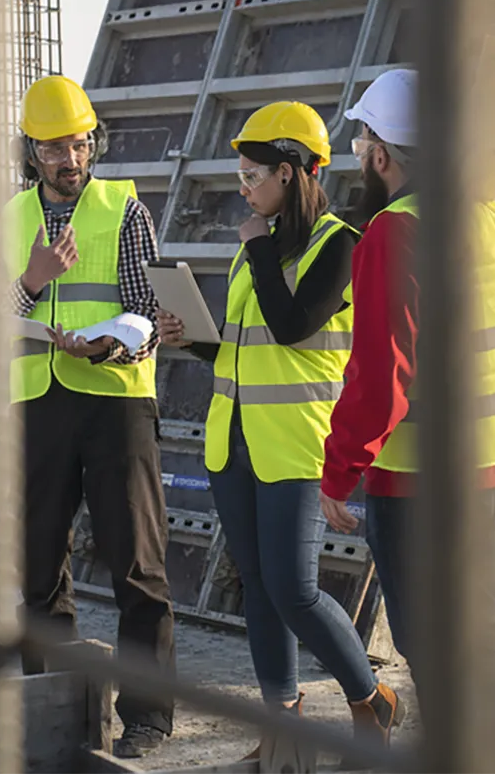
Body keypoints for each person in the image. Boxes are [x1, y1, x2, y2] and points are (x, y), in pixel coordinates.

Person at [154, 102, 399, 766]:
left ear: (291, 173)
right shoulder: (258, 250)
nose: (243, 186)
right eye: (239, 174)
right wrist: (196, 341)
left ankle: (370, 697)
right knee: (256, 587)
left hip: (294, 443)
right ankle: (282, 730)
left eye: (253, 174)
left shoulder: (338, 243)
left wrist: (258, 245)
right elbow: (250, 346)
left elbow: (293, 326)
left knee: (294, 589)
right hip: (232, 442)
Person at [316, 69, 495, 772]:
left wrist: (337, 473)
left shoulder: (392, 233)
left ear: (381, 156)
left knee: (429, 645)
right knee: (480, 638)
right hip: (493, 468)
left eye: (362, 140)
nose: (359, 152)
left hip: (416, 484)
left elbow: (380, 379)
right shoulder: (493, 220)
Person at [0, 74, 176, 760]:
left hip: (115, 404)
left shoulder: (124, 210)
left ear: (94, 144)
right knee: (36, 570)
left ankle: (146, 716)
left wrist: (121, 340)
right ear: (32, 152)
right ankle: (51, 704)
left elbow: (149, 309)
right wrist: (31, 282)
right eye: (54, 148)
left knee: (137, 568)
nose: (70, 159)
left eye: (79, 145)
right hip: (37, 408)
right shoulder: (12, 218)